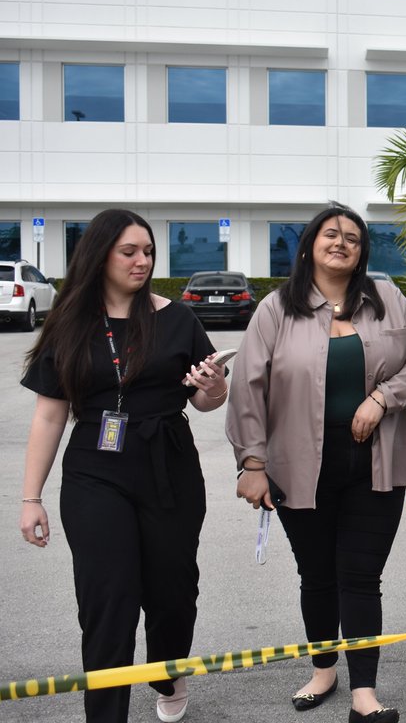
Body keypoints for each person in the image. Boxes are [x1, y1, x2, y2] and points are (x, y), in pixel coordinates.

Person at [226, 204, 406, 723]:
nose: (342, 242)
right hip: (300, 468)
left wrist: (383, 398)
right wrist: (252, 463)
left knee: (362, 577)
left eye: (352, 237)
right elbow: (247, 389)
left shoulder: (386, 299)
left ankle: (364, 692)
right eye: (330, 234)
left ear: (363, 250)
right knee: (317, 576)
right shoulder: (277, 309)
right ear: (308, 246)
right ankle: (324, 670)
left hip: (376, 467)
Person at [19, 209, 228, 723]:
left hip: (168, 465)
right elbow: (50, 415)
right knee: (107, 600)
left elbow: (204, 401)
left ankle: (166, 672)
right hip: (95, 470)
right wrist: (30, 498)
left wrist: (214, 388)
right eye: (129, 252)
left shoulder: (177, 317)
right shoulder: (70, 322)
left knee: (172, 592)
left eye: (148, 252)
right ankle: (105, 713)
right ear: (100, 256)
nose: (142, 261)